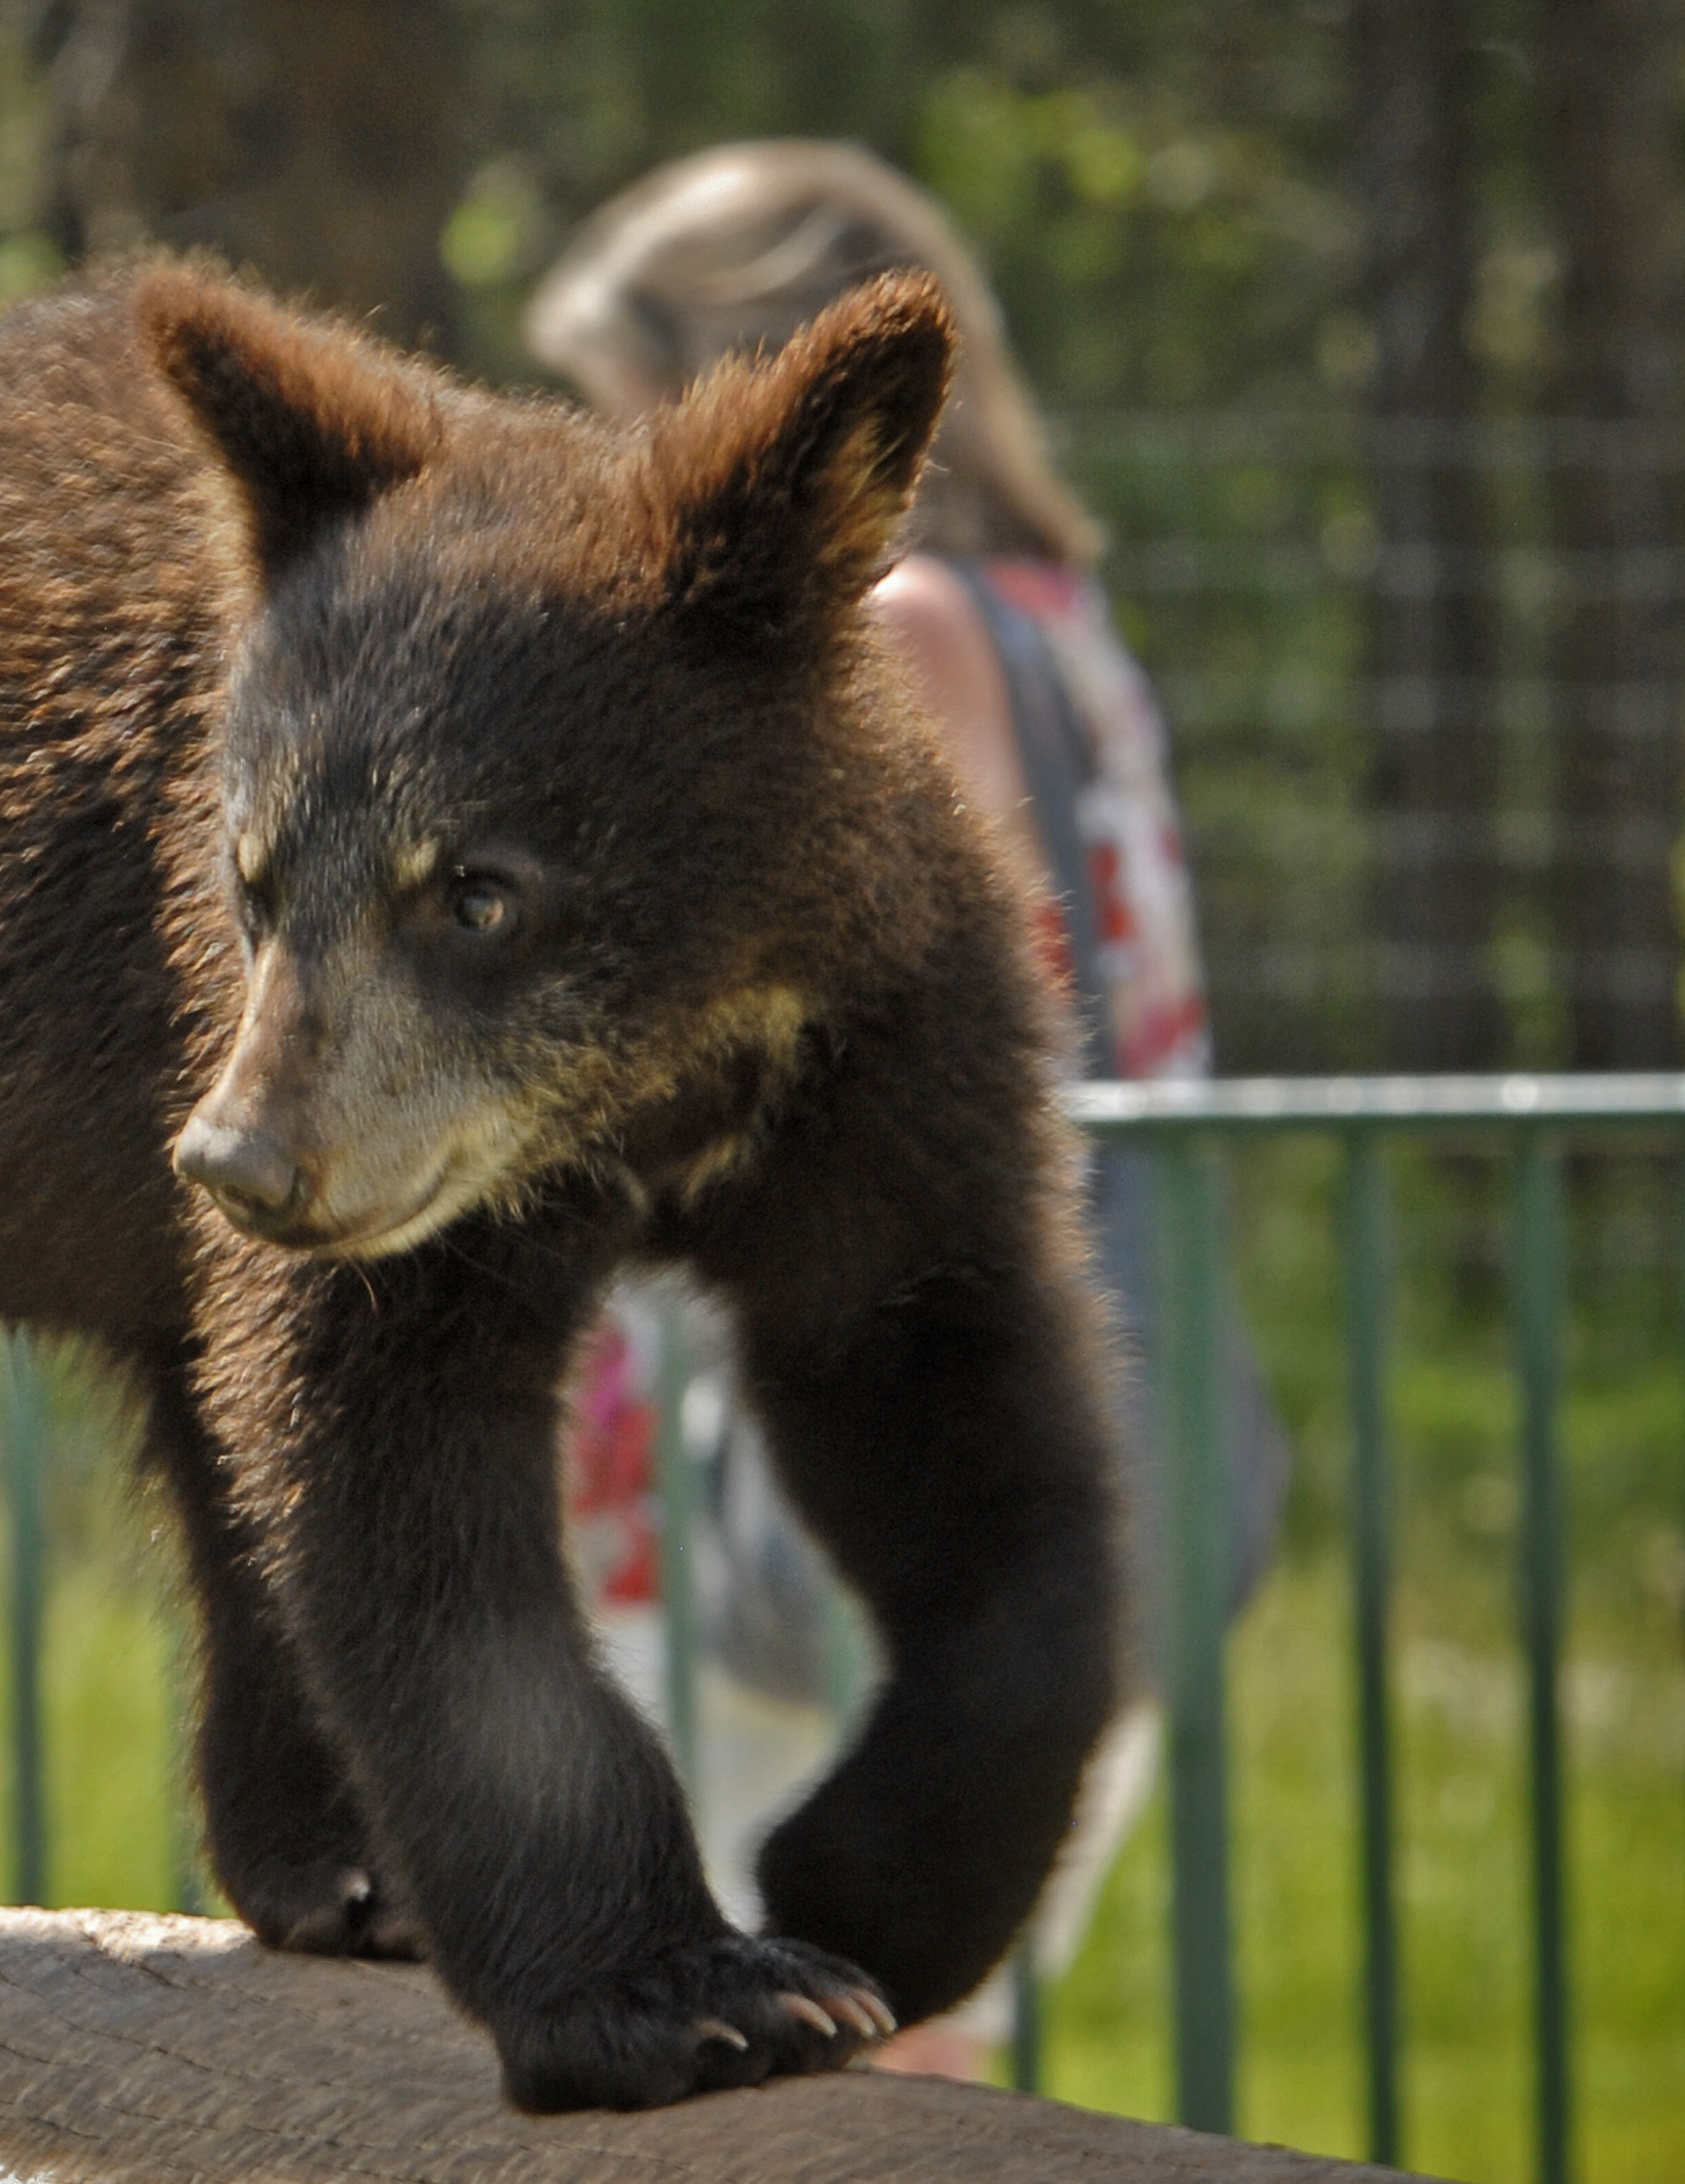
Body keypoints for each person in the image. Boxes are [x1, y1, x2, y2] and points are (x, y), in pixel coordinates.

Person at [523, 140, 1287, 2076]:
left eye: (641, 416)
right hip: (1136, 1386)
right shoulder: (1066, 621)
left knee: (801, 2041)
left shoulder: (911, 625)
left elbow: (843, 1017)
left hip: (916, 1396)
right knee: (900, 2024)